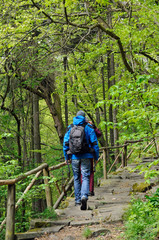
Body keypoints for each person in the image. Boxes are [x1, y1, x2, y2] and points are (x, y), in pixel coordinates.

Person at [63, 110, 99, 210]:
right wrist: (96, 157)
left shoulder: (71, 128)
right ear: (84, 117)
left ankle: (77, 200)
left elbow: (65, 143)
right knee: (86, 177)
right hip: (87, 156)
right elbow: (95, 143)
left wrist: (66, 157)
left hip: (74, 157)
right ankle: (84, 196)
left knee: (76, 177)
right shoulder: (89, 127)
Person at [81, 119, 102, 196]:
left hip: (77, 154)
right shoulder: (89, 127)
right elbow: (99, 134)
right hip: (89, 153)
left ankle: (82, 191)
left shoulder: (74, 126)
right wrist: (94, 126)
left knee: (81, 173)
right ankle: (90, 190)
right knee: (90, 171)